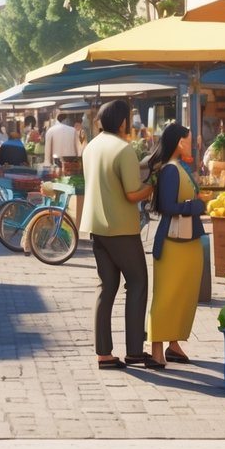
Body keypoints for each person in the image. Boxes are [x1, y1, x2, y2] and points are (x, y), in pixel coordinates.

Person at [81, 99, 156, 370]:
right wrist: (152, 185)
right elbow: (131, 193)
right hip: (121, 229)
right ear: (123, 122)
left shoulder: (91, 146)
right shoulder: (123, 149)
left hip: (97, 227)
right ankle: (135, 351)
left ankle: (104, 353)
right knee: (138, 283)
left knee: (107, 287)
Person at [146, 123, 207, 367]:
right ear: (179, 142)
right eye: (189, 139)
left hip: (188, 243)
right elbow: (168, 206)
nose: (191, 144)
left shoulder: (180, 167)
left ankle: (173, 345)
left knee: (184, 296)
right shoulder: (171, 170)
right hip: (173, 244)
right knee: (167, 296)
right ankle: (157, 350)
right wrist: (196, 206)